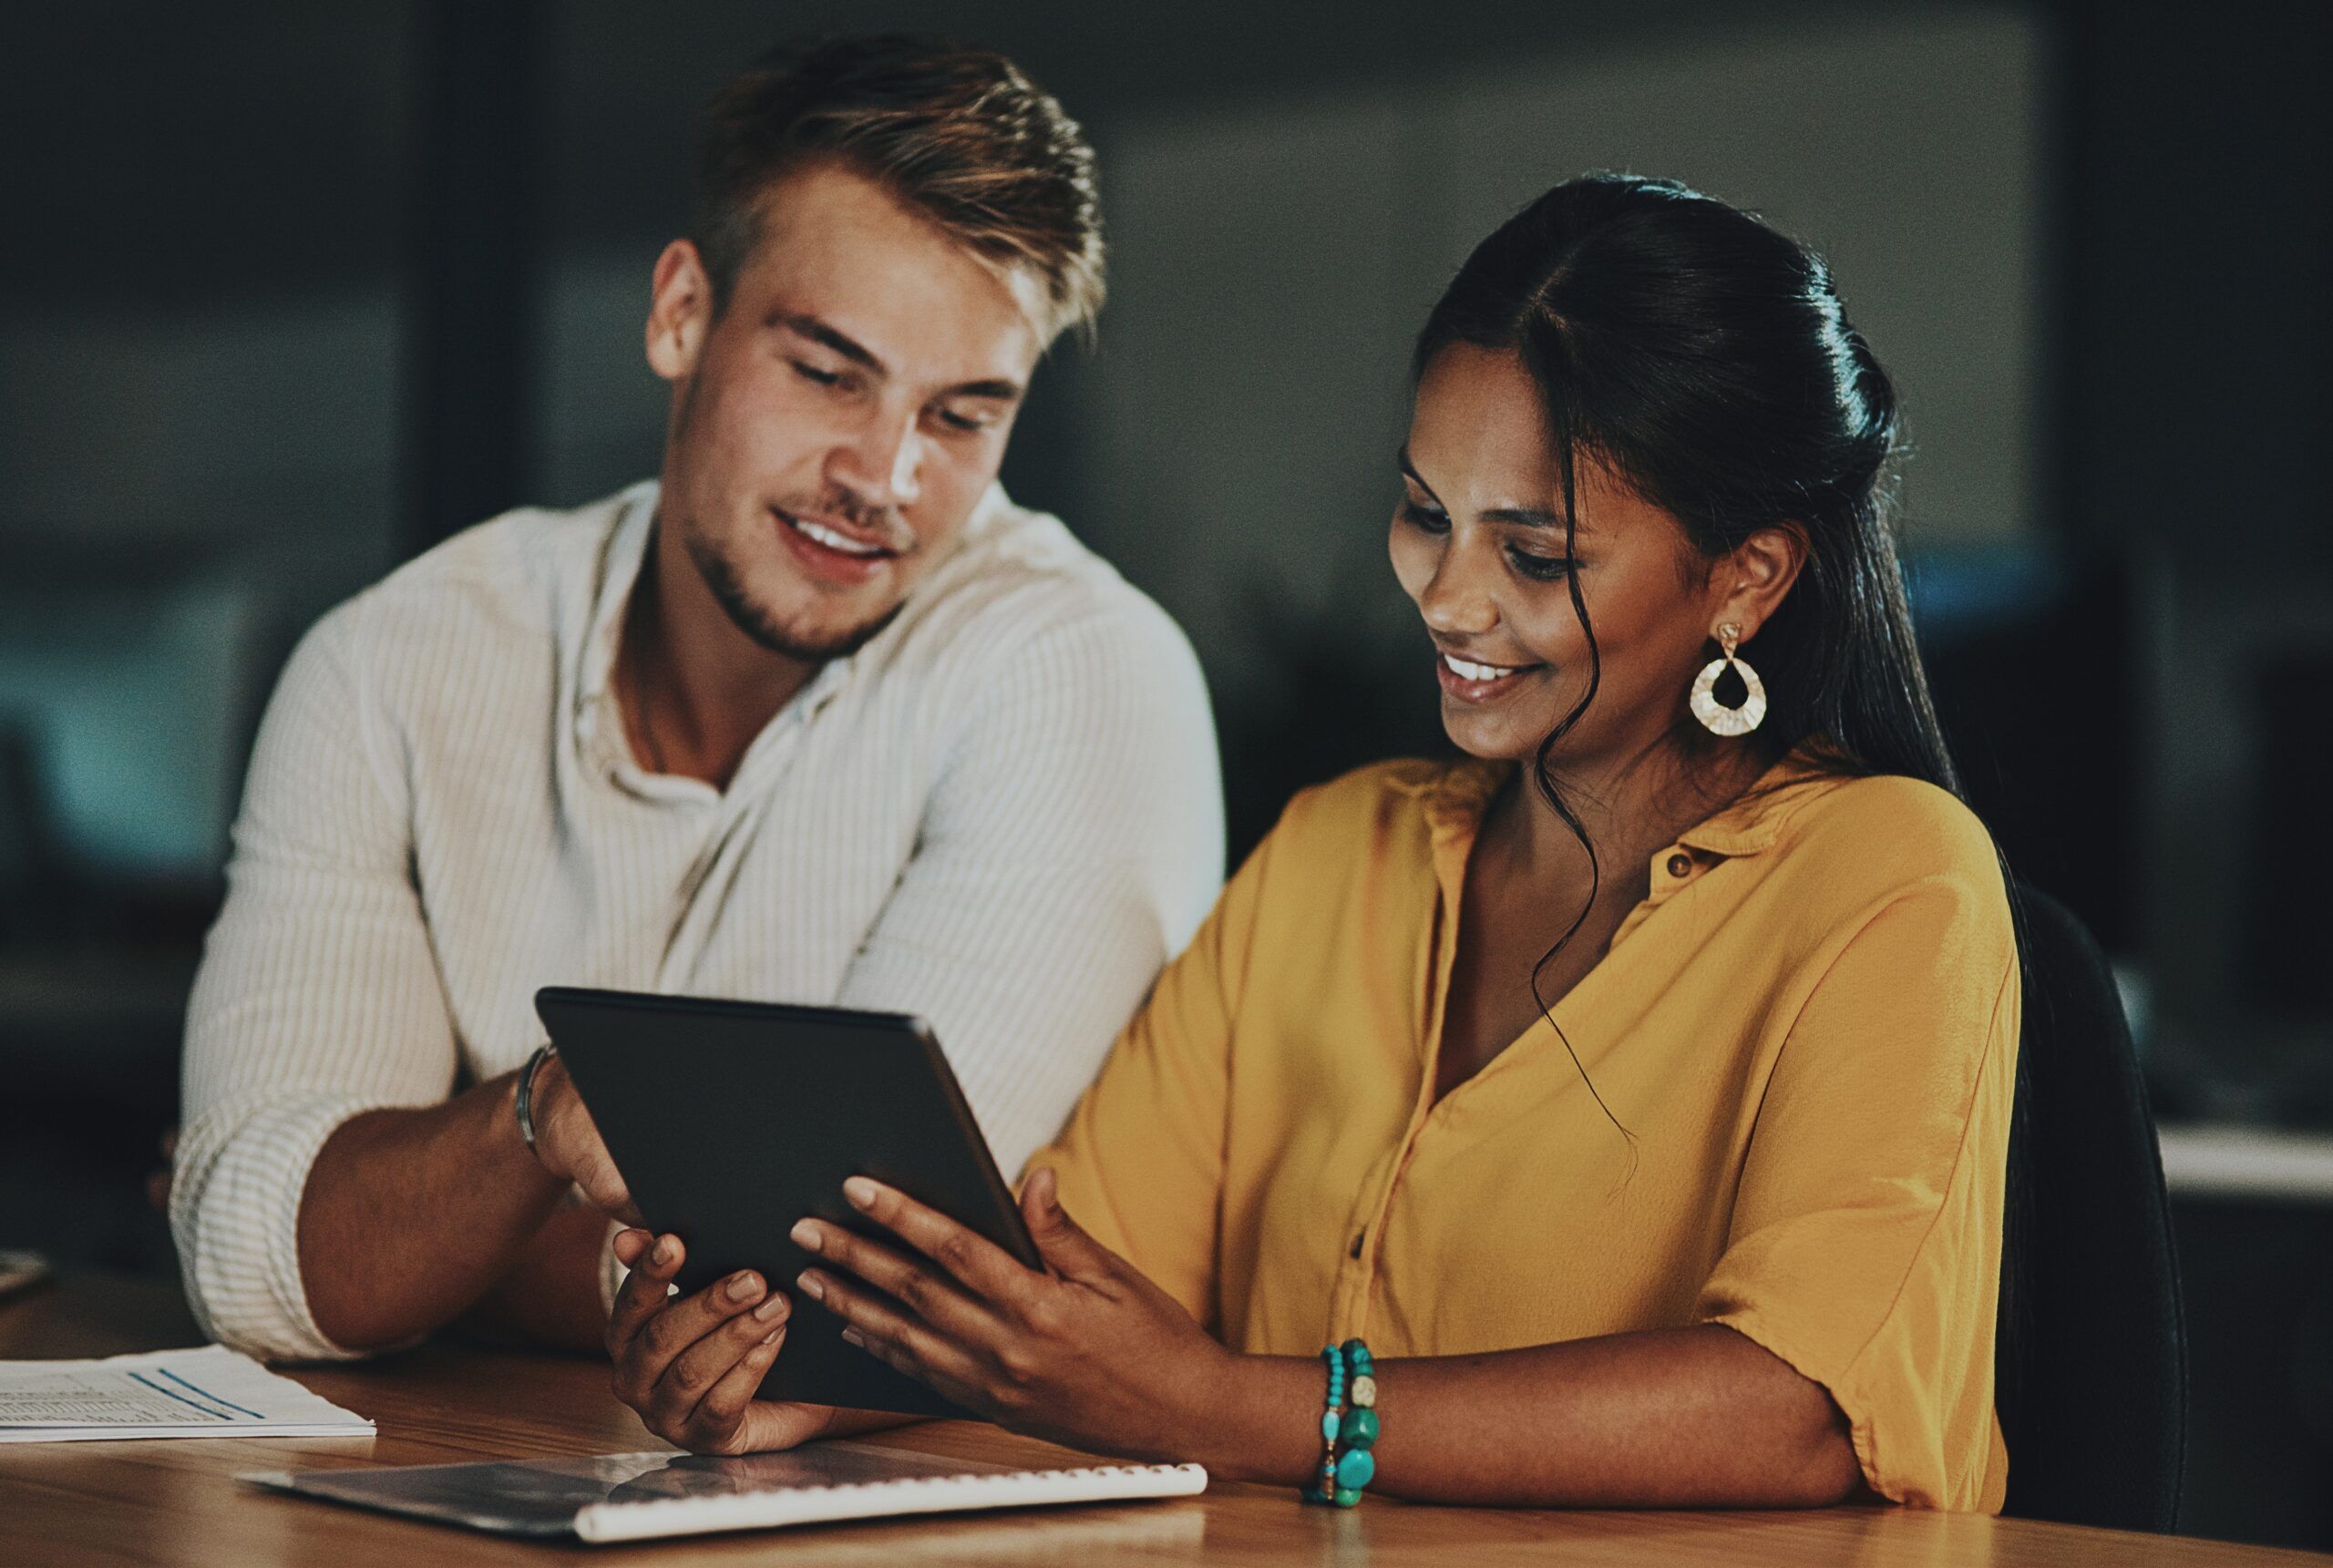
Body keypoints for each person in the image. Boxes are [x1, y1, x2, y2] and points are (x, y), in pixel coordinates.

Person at [604, 174, 2020, 1512]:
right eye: (1424, 517)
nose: (1450, 599)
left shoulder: (1892, 876)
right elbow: (1064, 1301)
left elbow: (1799, 1412)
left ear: (1748, 576)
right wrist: (793, 1384)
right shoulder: (1339, 853)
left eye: (1535, 555)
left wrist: (1232, 1409)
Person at [169, 37, 1223, 1364]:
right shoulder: (394, 662)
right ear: (681, 313)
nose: (884, 477)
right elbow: (259, 1269)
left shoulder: (1082, 671)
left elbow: (836, 1292)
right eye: (829, 371)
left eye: (960, 416)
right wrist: (540, 1119)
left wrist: (435, 1210)